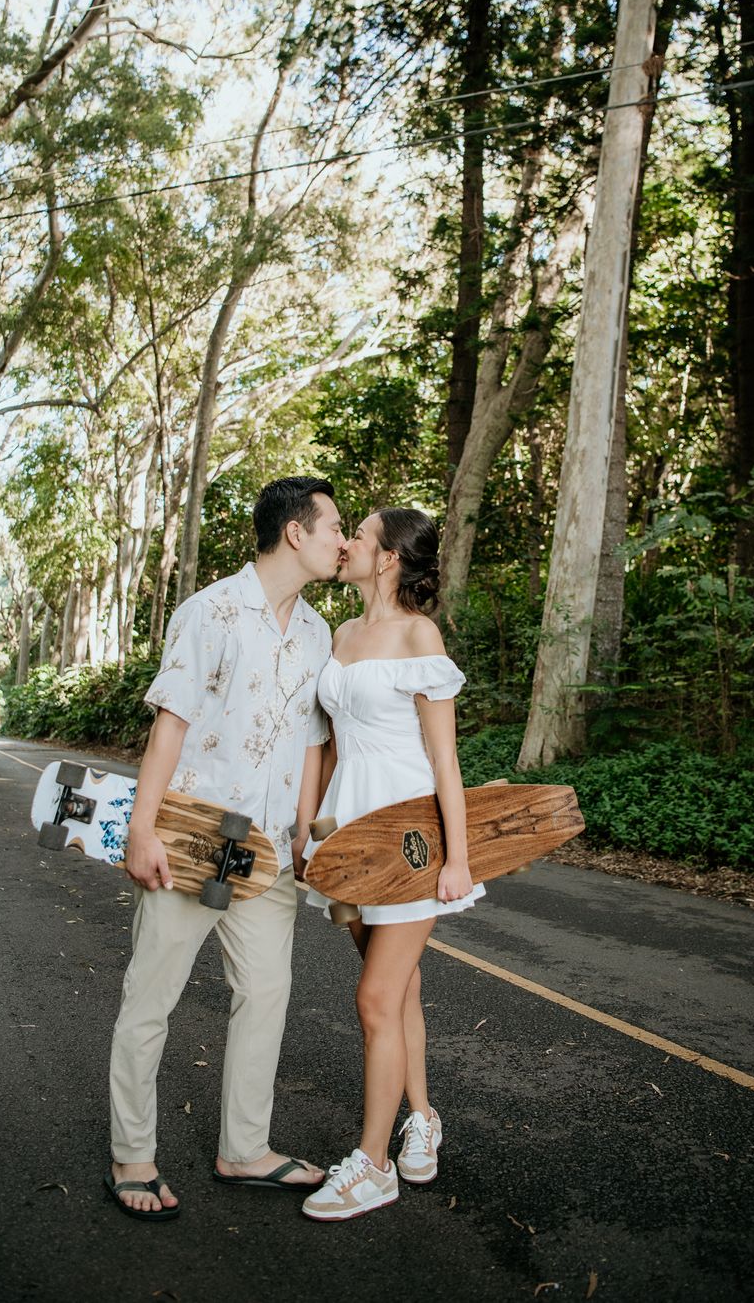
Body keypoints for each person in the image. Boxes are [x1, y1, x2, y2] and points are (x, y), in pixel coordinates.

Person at [105, 476, 347, 1219]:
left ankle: (245, 1149)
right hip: (195, 838)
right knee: (151, 998)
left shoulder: (316, 632)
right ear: (296, 533)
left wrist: (307, 831)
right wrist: (142, 830)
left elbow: (311, 740)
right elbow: (170, 723)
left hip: (269, 853)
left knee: (267, 996)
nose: (344, 541)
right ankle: (133, 1156)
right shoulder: (209, 611)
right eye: (335, 526)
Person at [295, 506, 484, 1222]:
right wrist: (312, 838)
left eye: (360, 536)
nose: (345, 544)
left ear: (389, 557)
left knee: (374, 998)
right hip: (346, 841)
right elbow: (334, 748)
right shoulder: (341, 634)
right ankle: (424, 1116)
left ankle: (372, 1166)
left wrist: (457, 859)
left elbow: (445, 761)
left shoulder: (418, 635)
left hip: (409, 842)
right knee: (396, 991)